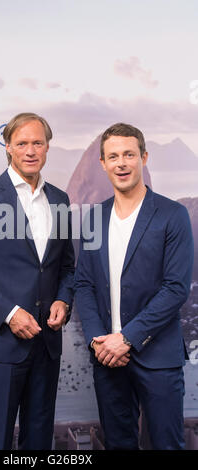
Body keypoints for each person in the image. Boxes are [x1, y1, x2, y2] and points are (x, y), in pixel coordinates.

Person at [0, 112, 75, 450]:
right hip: (1, 345)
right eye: (22, 143)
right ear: (8, 147)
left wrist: (63, 301)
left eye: (37, 143)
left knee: (39, 442)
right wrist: (9, 313)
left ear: (48, 147)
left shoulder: (60, 200)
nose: (30, 150)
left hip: (46, 346)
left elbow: (67, 268)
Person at [74, 122, 194, 450]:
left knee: (166, 445)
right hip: (107, 359)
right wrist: (99, 341)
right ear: (102, 163)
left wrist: (126, 339)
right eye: (113, 156)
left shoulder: (173, 215)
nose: (121, 163)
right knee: (117, 445)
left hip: (157, 357)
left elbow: (175, 288)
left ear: (144, 157)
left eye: (129, 154)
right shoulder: (94, 218)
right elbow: (83, 284)